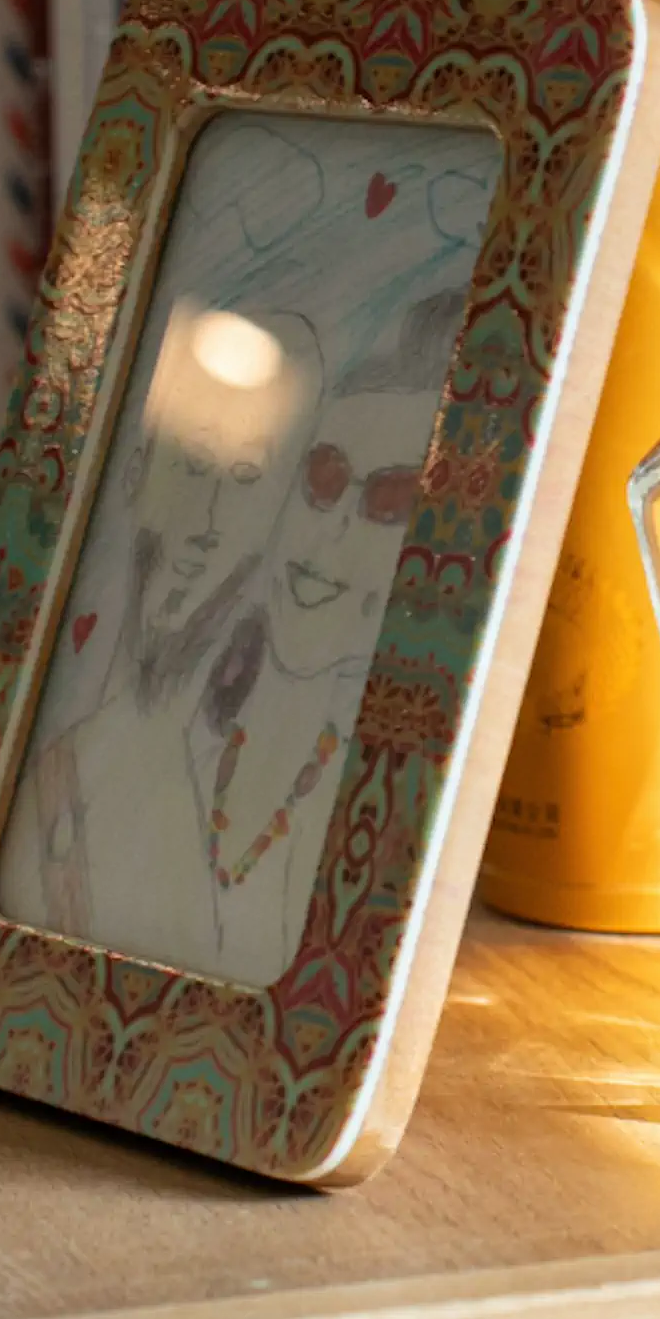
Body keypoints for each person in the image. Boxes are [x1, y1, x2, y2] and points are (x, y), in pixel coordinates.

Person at [0, 299, 319, 962]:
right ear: (138, 469)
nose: (208, 519)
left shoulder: (262, 773)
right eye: (194, 463)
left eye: (247, 478)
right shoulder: (56, 756)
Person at [183, 286, 465, 984]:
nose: (332, 532)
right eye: (325, 479)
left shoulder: (394, 827)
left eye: (388, 503)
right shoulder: (181, 735)